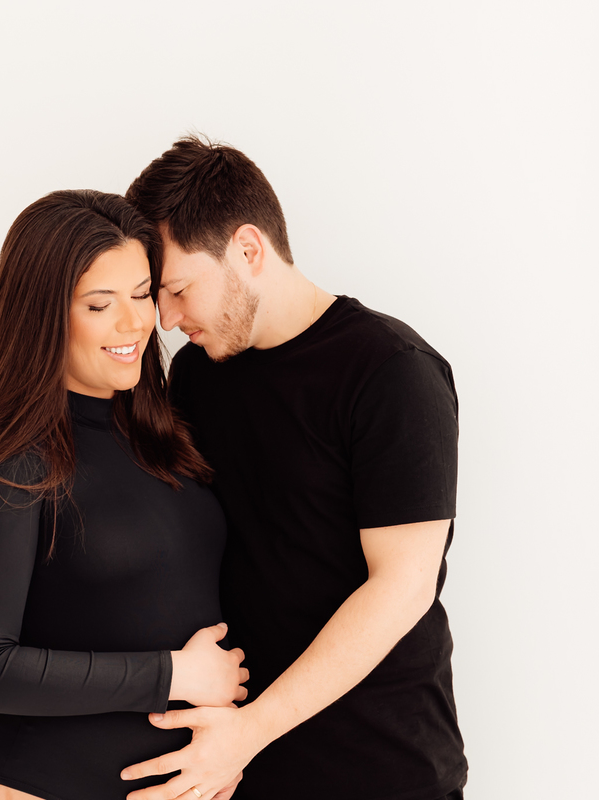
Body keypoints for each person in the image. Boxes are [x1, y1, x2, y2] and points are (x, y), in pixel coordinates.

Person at [119, 137, 467, 800]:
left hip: (384, 772)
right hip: (238, 773)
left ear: (249, 250)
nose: (165, 319)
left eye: (178, 289)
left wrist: (248, 733)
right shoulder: (193, 377)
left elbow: (402, 586)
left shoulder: (391, 372)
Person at [0, 189, 248, 800]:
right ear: (44, 315)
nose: (134, 323)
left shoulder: (160, 434)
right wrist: (172, 675)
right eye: (100, 304)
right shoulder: (10, 457)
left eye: (141, 295)